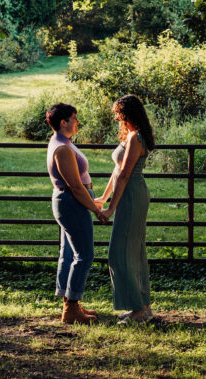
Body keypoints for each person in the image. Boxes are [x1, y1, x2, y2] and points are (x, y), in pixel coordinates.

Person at [46, 102, 107, 324]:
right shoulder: (62, 149)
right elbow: (75, 185)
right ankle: (71, 308)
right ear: (63, 122)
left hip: (72, 201)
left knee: (69, 254)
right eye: (74, 118)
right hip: (72, 202)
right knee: (85, 255)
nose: (77, 122)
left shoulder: (63, 142)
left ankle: (70, 303)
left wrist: (92, 199)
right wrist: (95, 209)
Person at [95, 94, 154, 323]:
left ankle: (139, 311)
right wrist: (104, 196)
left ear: (128, 113)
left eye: (118, 113)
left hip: (132, 194)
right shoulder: (130, 135)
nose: (116, 117)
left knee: (120, 252)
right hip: (129, 193)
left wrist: (110, 209)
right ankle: (141, 306)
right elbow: (117, 170)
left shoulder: (136, 138)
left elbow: (126, 175)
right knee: (132, 251)